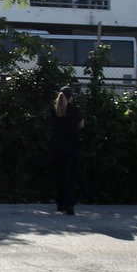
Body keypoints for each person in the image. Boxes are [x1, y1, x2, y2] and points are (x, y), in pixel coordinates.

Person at [51, 86, 84, 215]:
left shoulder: (55, 110)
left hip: (57, 146)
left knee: (59, 176)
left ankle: (60, 204)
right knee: (71, 177)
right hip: (72, 147)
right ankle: (69, 205)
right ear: (71, 97)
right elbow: (81, 124)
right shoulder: (75, 110)